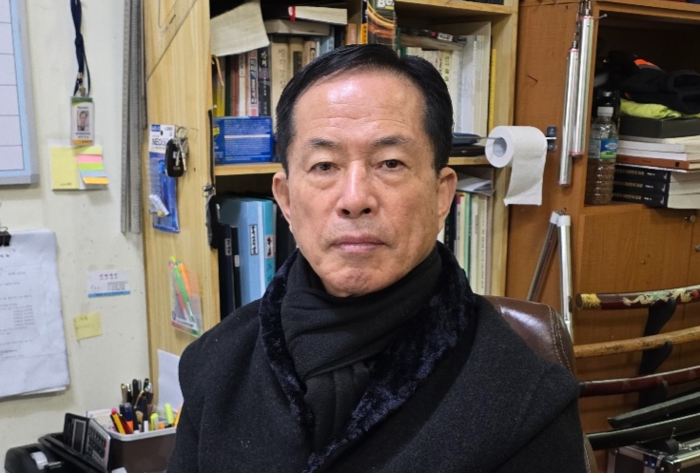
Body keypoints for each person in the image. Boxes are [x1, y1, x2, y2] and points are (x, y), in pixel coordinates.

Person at [168, 44, 588, 473]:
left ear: (441, 195)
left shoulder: (524, 401)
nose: (355, 199)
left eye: (390, 163)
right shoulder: (216, 363)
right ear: (286, 198)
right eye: (324, 165)